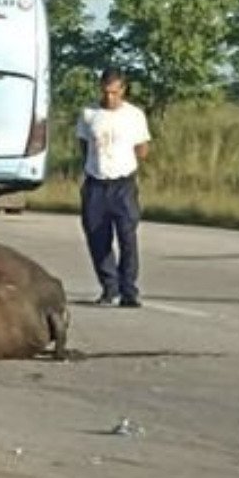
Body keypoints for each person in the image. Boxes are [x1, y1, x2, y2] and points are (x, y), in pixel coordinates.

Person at [76, 69, 152, 307]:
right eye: (106, 92)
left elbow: (143, 149)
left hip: (123, 184)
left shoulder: (134, 115)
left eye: (115, 92)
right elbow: (83, 144)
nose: (110, 98)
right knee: (98, 238)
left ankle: (129, 290)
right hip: (96, 184)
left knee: (127, 237)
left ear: (123, 90)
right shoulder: (89, 114)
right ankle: (110, 288)